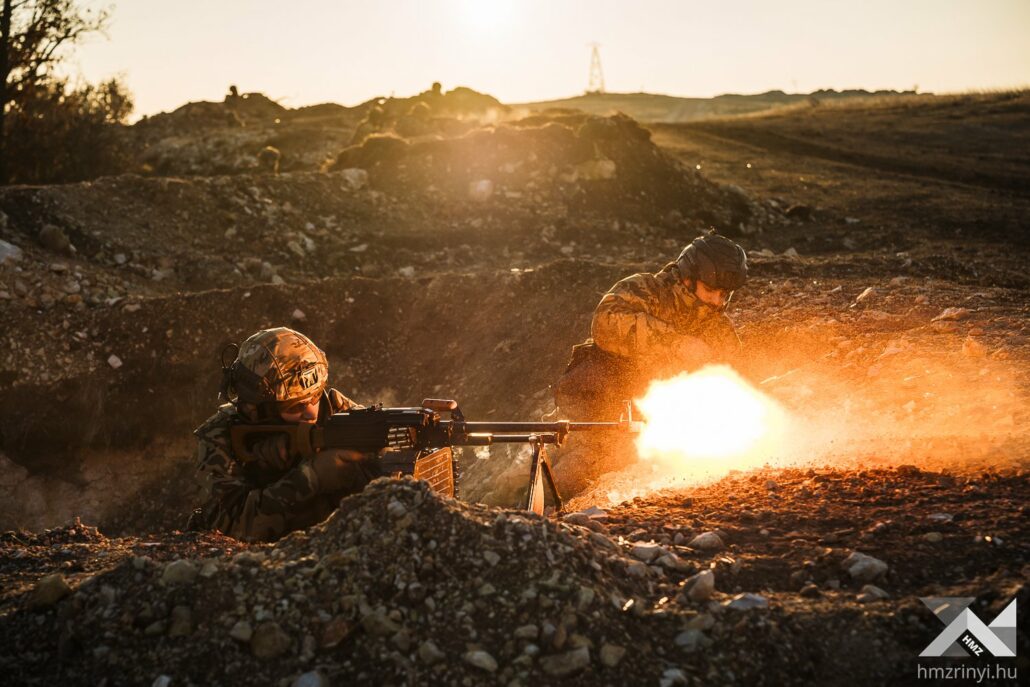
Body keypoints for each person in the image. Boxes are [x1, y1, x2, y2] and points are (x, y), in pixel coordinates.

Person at [552, 232, 749, 491]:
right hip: (597, 413)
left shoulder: (719, 330)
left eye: (724, 294)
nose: (717, 301)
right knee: (577, 471)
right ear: (688, 279)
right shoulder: (644, 290)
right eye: (710, 290)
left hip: (661, 428)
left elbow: (738, 384)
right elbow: (606, 322)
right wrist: (675, 343)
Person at [190, 327, 380, 541]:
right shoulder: (220, 437)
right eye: (294, 406)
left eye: (315, 395)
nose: (311, 412)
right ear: (258, 409)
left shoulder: (339, 412)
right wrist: (311, 477)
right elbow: (229, 527)